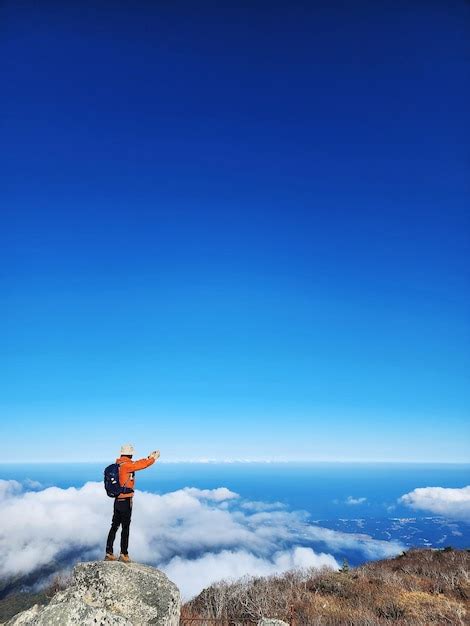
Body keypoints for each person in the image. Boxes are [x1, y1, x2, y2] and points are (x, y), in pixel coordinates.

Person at [105, 444, 160, 562]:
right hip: (126, 501)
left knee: (114, 526)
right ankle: (124, 554)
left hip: (117, 500)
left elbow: (136, 464)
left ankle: (109, 552)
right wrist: (152, 459)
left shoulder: (118, 465)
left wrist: (147, 457)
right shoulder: (128, 466)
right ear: (130, 454)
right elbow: (141, 465)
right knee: (125, 527)